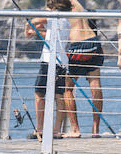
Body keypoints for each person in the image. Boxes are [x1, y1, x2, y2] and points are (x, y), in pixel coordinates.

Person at [27, 0, 74, 139]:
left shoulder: (54, 16)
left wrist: (27, 22)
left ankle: (40, 128)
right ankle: (56, 130)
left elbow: (36, 20)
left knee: (39, 93)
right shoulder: (64, 18)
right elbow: (39, 28)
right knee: (59, 95)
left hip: (49, 60)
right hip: (62, 62)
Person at [63, 0, 105, 137]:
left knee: (67, 89)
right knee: (95, 86)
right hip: (93, 42)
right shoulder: (76, 3)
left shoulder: (58, 5)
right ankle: (95, 130)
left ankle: (75, 129)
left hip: (78, 47)